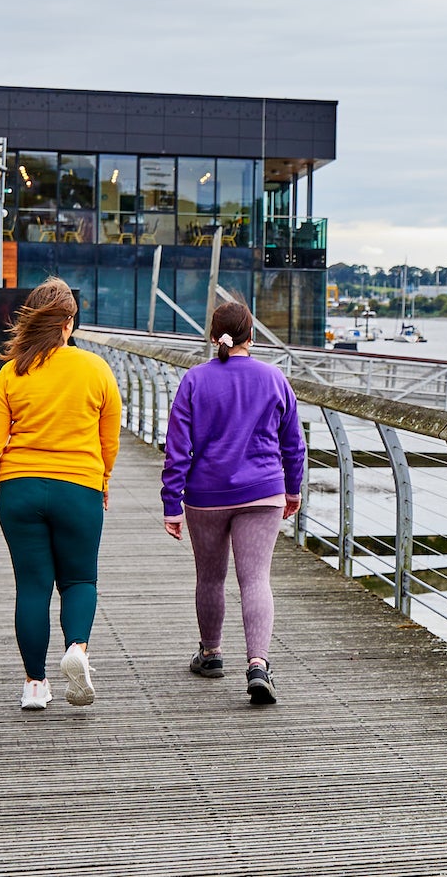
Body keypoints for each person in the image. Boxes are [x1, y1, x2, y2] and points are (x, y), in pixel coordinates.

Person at [0, 278, 121, 711]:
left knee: (32, 587)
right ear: (69, 323)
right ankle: (77, 650)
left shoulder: (11, 372)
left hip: (19, 491)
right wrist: (102, 481)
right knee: (79, 580)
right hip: (78, 488)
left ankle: (34, 684)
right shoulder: (97, 370)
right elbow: (109, 441)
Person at [161, 301, 305, 704]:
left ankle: (210, 654)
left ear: (213, 335)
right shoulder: (274, 378)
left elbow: (177, 450)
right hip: (263, 492)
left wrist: (172, 503)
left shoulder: (194, 380)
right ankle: (258, 664)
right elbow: (294, 445)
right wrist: (292, 490)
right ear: (251, 337)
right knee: (255, 578)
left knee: (210, 577)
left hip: (206, 495)